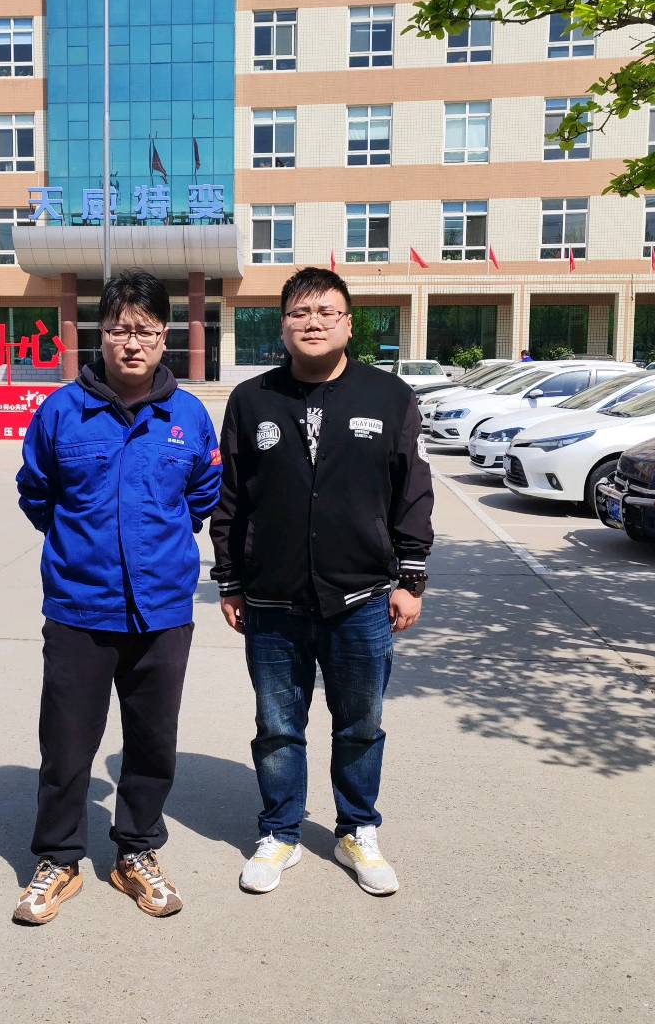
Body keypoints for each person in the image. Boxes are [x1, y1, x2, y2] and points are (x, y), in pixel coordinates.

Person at [211, 266, 434, 897]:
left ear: (348, 323)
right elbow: (232, 497)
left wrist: (411, 576)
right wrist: (229, 579)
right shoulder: (252, 399)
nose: (313, 323)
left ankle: (356, 828)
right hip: (272, 600)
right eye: (299, 313)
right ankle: (280, 832)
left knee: (360, 724)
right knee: (278, 726)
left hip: (361, 597)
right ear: (282, 326)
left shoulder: (388, 396)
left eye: (326, 312)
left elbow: (412, 492)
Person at [13, 269, 221, 924]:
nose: (132, 343)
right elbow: (36, 492)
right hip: (79, 608)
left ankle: (136, 851)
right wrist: (81, 546)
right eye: (119, 329)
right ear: (99, 334)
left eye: (146, 330)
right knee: (67, 742)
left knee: (153, 740)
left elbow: (203, 495)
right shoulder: (61, 412)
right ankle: (59, 859)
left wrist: (160, 542)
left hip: (163, 608)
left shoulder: (187, 416)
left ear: (166, 336)